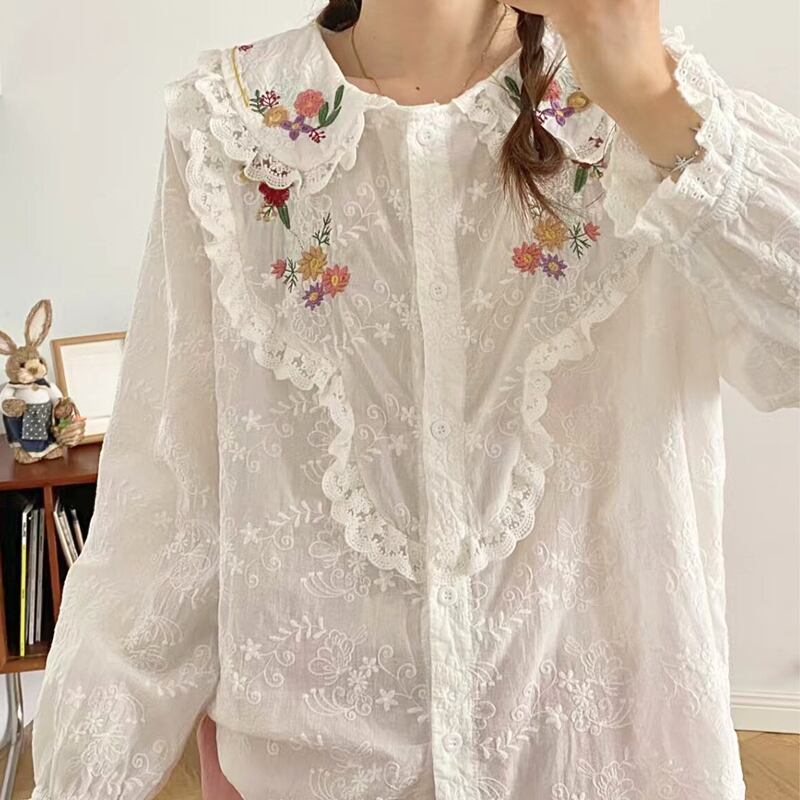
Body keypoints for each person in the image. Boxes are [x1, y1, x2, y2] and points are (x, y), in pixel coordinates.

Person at [30, 1, 799, 798]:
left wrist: (644, 93)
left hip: (607, 765)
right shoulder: (233, 125)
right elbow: (164, 520)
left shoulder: (634, 108)